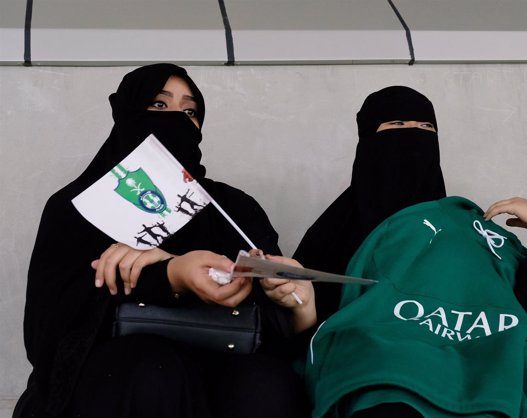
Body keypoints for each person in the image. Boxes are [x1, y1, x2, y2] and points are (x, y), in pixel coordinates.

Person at [14, 63, 314, 418]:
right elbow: (49, 332)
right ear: (125, 112)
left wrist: (299, 303)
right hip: (121, 374)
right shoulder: (79, 206)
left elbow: (280, 332)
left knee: (266, 384)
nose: (176, 118)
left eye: (189, 111)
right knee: (148, 370)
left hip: (227, 359)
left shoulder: (233, 207)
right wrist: (169, 276)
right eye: (158, 105)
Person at [294, 86, 527, 417]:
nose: (414, 136)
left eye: (426, 128)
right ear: (368, 140)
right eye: (397, 125)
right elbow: (306, 329)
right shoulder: (334, 231)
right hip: (386, 359)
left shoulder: (468, 227)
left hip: (493, 348)